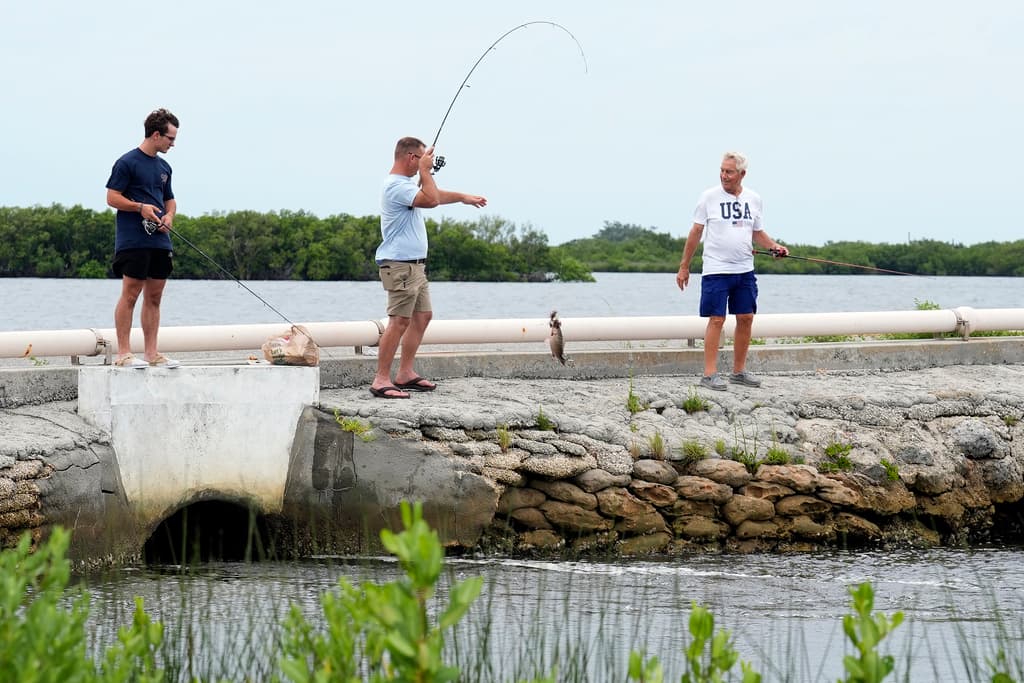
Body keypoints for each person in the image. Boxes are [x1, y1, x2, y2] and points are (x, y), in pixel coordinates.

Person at [369, 137, 487, 399]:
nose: (428, 165)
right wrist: (424, 171)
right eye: (423, 160)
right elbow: (431, 200)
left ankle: (405, 373)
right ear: (412, 157)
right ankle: (381, 379)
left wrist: (462, 198)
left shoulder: (406, 186)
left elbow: (433, 196)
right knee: (398, 321)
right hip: (399, 265)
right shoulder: (394, 186)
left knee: (423, 317)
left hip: (415, 267)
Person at [676, 151, 788, 391]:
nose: (724, 176)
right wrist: (684, 266)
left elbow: (757, 232)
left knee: (746, 317)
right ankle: (709, 374)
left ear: (742, 174)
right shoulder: (708, 197)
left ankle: (738, 372)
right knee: (717, 319)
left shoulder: (754, 199)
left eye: (729, 172)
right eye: (722, 170)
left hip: (744, 270)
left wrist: (774, 247)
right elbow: (696, 232)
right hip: (716, 269)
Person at [106, 108, 181, 369]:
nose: (173, 143)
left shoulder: (164, 167)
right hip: (133, 240)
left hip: (159, 242)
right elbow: (112, 197)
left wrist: (169, 217)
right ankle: (124, 353)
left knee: (155, 296)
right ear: (156, 134)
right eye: (170, 138)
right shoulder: (127, 162)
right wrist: (140, 208)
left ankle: (152, 353)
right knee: (131, 293)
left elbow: (169, 200)